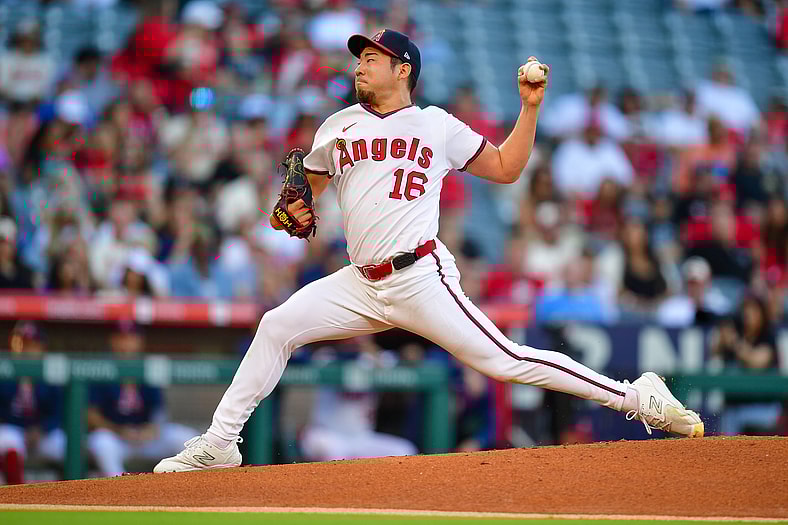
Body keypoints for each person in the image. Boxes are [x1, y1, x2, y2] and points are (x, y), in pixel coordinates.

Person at [154, 29, 703, 473]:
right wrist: (289, 208)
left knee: (506, 361)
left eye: (373, 57)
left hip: (420, 275)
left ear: (403, 70)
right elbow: (301, 202)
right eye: (360, 57)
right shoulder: (337, 127)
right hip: (360, 281)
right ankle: (220, 443)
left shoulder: (436, 125)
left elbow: (508, 170)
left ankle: (637, 398)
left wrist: (529, 109)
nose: (361, 66)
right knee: (276, 325)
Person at [87, 321, 196, 476]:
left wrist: (151, 429)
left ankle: (187, 487)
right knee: (101, 442)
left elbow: (159, 410)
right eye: (122, 338)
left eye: (131, 338)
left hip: (145, 438)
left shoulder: (147, 366)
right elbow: (91, 414)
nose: (126, 344)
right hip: (117, 438)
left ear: (140, 341)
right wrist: (118, 430)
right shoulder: (102, 368)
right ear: (113, 340)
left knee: (186, 438)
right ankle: (121, 489)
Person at [0, 322, 65, 485]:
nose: (28, 350)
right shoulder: (4, 370)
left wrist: (42, 429)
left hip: (42, 433)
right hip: (13, 429)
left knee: (65, 446)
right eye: (24, 344)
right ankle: (17, 494)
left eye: (33, 345)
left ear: (42, 348)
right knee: (8, 440)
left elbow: (60, 412)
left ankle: (68, 495)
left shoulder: (52, 373)